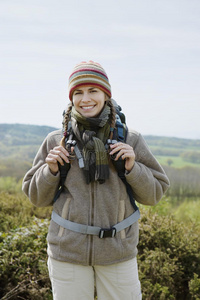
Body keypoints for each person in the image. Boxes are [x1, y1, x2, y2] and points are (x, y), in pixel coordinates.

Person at [22, 61, 170, 300]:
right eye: (78, 93)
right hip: (67, 253)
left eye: (93, 91)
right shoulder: (56, 140)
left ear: (106, 95)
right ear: (71, 98)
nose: (85, 98)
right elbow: (36, 198)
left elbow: (155, 194)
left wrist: (133, 167)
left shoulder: (130, 139)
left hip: (118, 252)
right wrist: (49, 171)